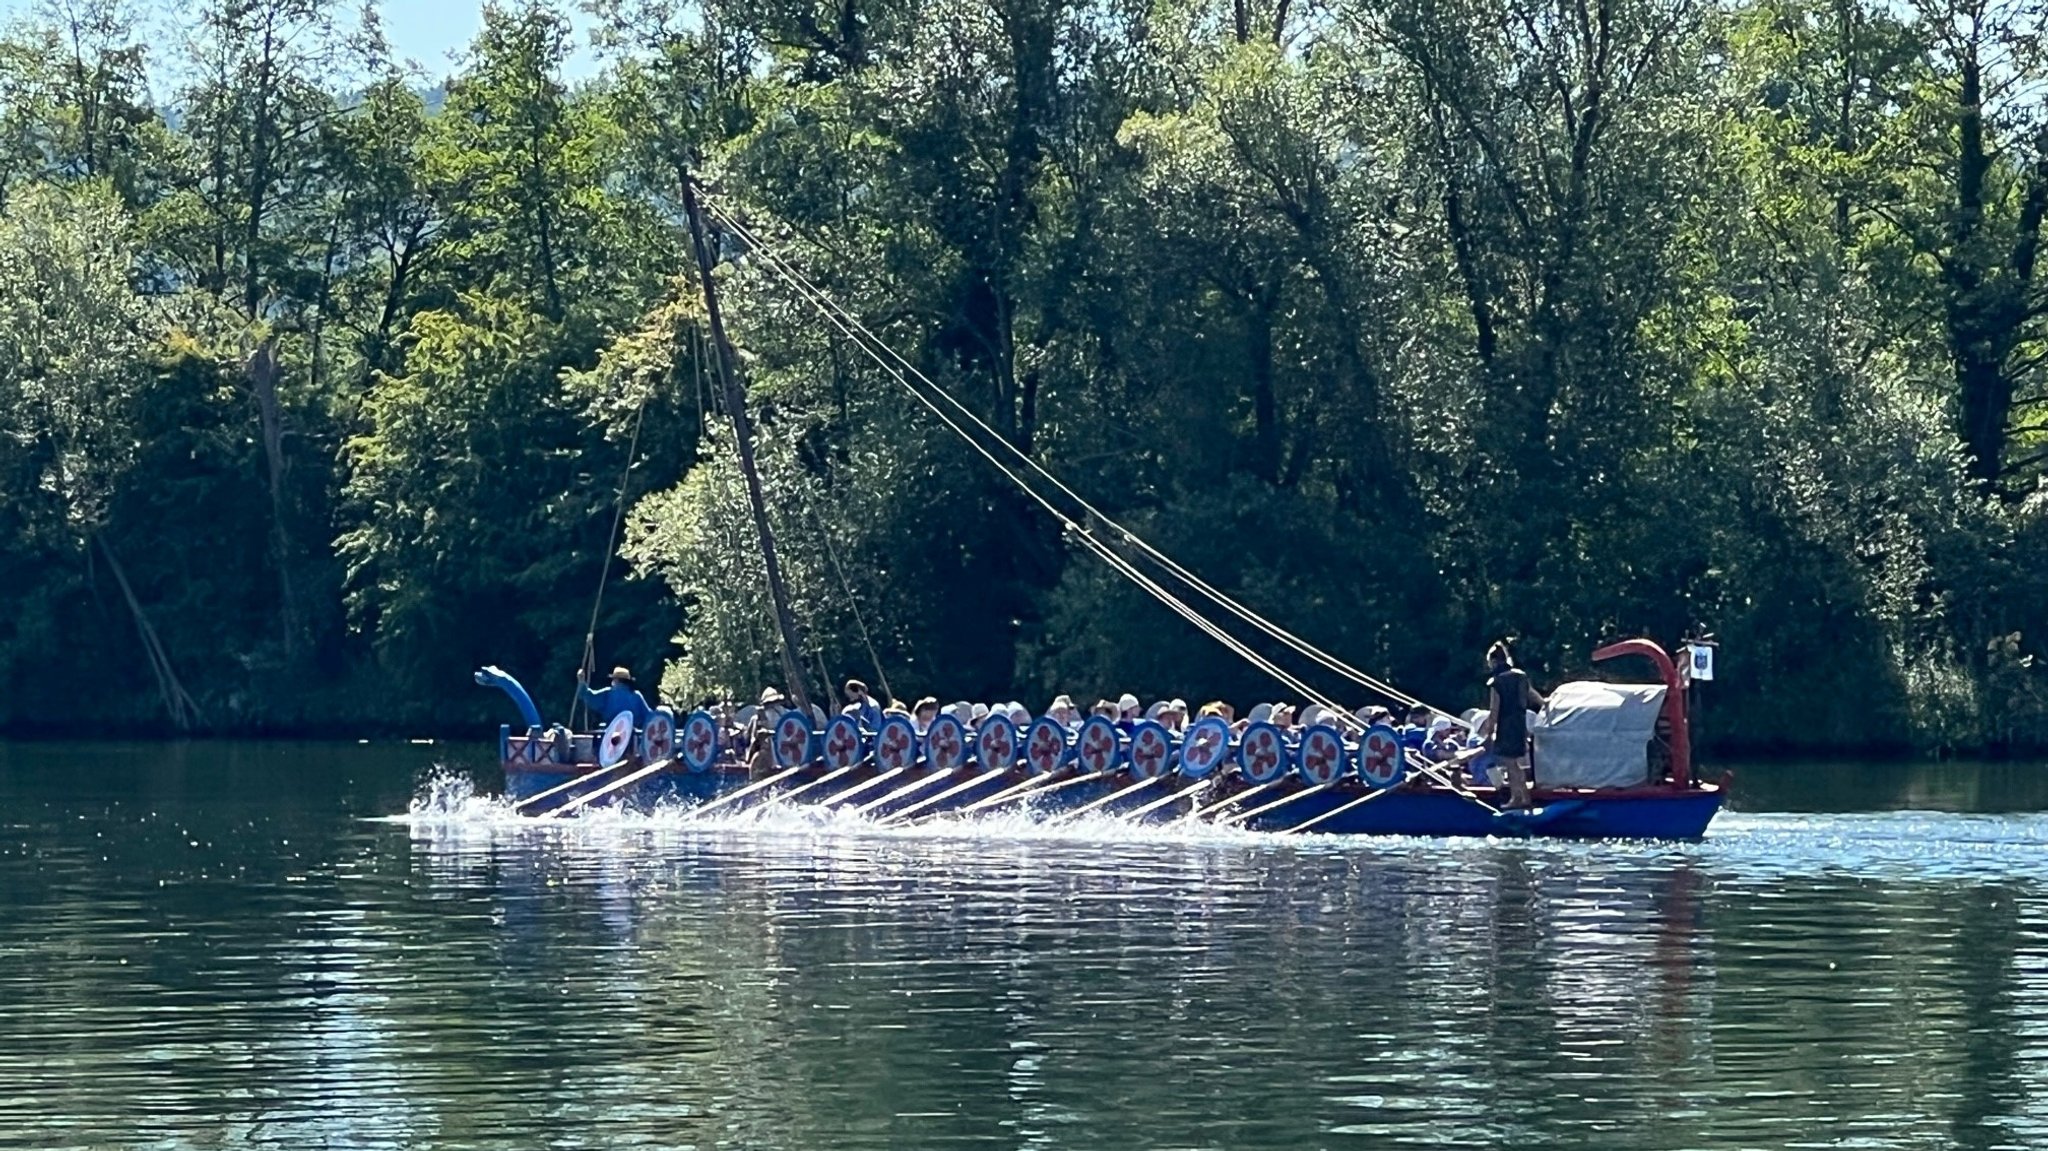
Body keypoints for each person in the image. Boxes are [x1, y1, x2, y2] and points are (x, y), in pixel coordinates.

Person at [1476, 640, 1546, 809]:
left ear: (1493, 661)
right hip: (1519, 723)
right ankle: (1524, 797)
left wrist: (1489, 733)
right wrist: (1546, 705)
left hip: (1506, 725)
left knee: (1510, 764)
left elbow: (1495, 711)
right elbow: (1533, 695)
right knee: (1516, 764)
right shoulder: (1521, 676)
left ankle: (1516, 798)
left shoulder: (1496, 682)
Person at [578, 666, 653, 727]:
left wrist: (581, 682)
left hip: (611, 735)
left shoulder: (608, 693)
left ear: (616, 680)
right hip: (633, 736)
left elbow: (590, 697)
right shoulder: (636, 696)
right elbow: (649, 716)